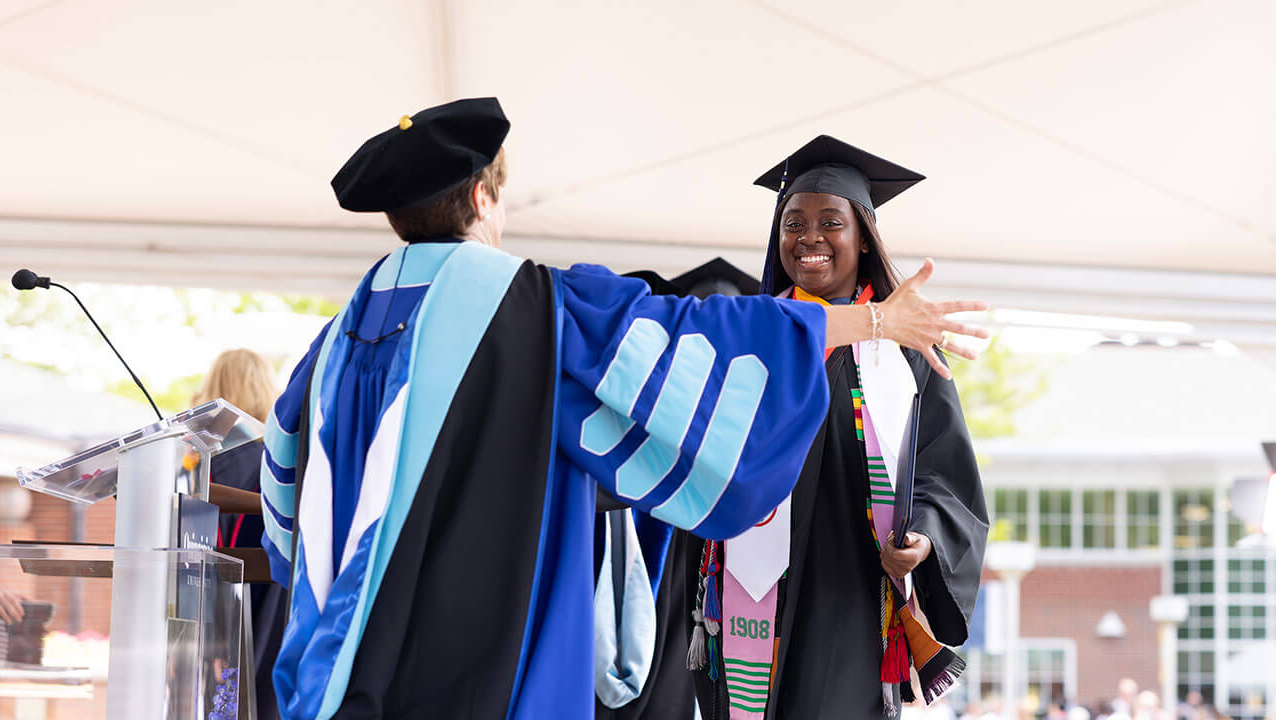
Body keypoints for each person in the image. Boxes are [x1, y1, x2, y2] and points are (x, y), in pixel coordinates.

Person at [258, 100, 989, 720]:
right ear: (483, 197)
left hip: (343, 647)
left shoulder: (335, 339)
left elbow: (284, 500)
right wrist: (876, 323)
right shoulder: (532, 304)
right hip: (482, 643)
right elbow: (692, 342)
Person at [683, 136, 989, 719]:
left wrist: (923, 539)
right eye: (793, 222)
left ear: (863, 236)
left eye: (831, 221)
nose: (810, 238)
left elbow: (945, 478)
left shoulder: (908, 355)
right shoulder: (751, 337)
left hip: (850, 592)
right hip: (749, 588)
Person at [190, 348, 285, 720]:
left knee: (220, 701)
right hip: (266, 593)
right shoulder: (277, 458)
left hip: (205, 598)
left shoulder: (197, 456)